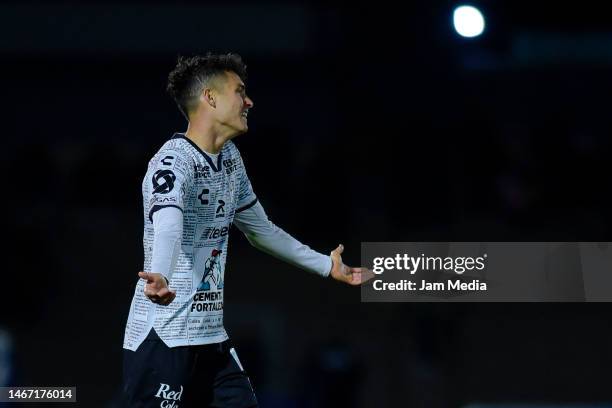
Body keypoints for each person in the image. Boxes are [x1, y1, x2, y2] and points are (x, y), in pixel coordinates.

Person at [121, 53, 371, 408]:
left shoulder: (230, 160)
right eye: (239, 91)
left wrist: (325, 265)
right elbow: (168, 222)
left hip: (210, 340)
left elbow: (261, 230)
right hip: (164, 338)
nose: (249, 101)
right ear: (210, 98)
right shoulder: (173, 160)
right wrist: (159, 273)